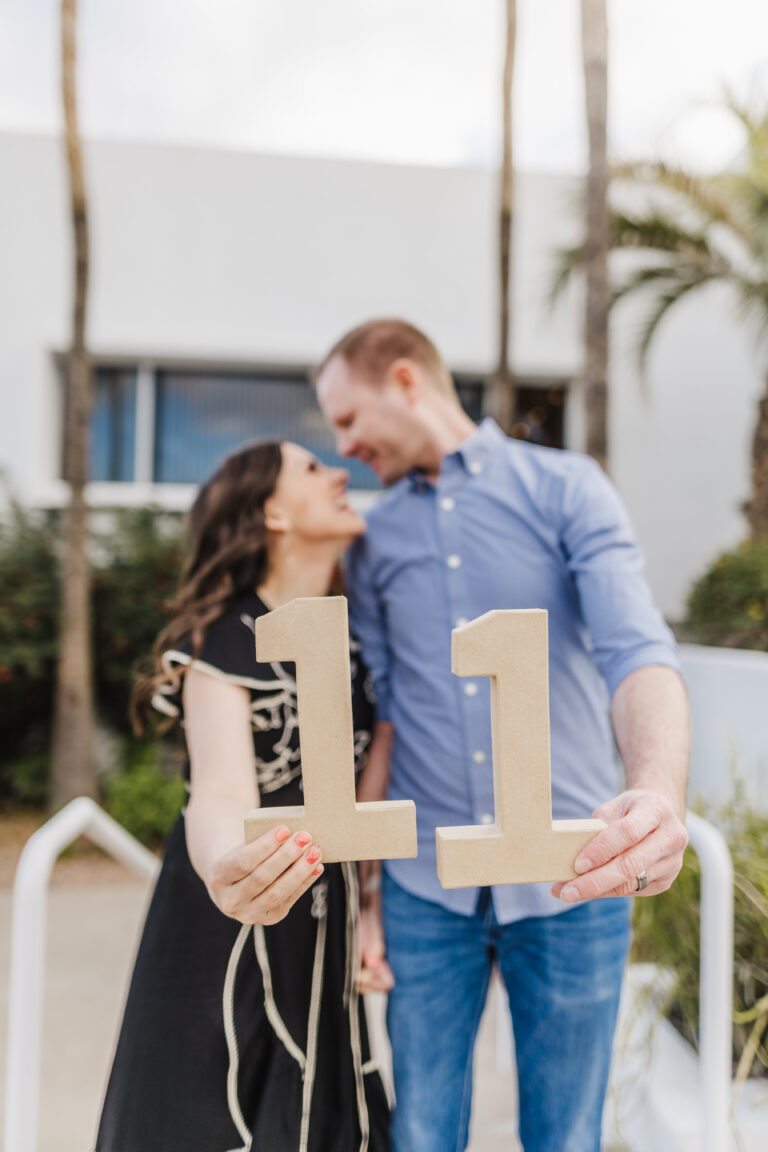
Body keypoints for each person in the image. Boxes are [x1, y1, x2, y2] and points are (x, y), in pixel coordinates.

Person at [315, 319, 690, 1152]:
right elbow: (388, 712)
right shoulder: (374, 544)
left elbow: (638, 652)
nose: (344, 449)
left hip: (572, 876)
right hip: (424, 886)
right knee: (418, 1132)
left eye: (347, 420)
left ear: (405, 381)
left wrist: (658, 793)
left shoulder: (567, 489)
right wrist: (368, 896)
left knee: (565, 1135)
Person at [95, 440, 390, 1152]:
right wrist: (232, 869)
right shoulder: (222, 640)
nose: (340, 473)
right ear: (272, 513)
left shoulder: (359, 639)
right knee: (215, 1116)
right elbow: (220, 792)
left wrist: (371, 908)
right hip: (231, 913)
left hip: (327, 915)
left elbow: (367, 787)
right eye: (313, 469)